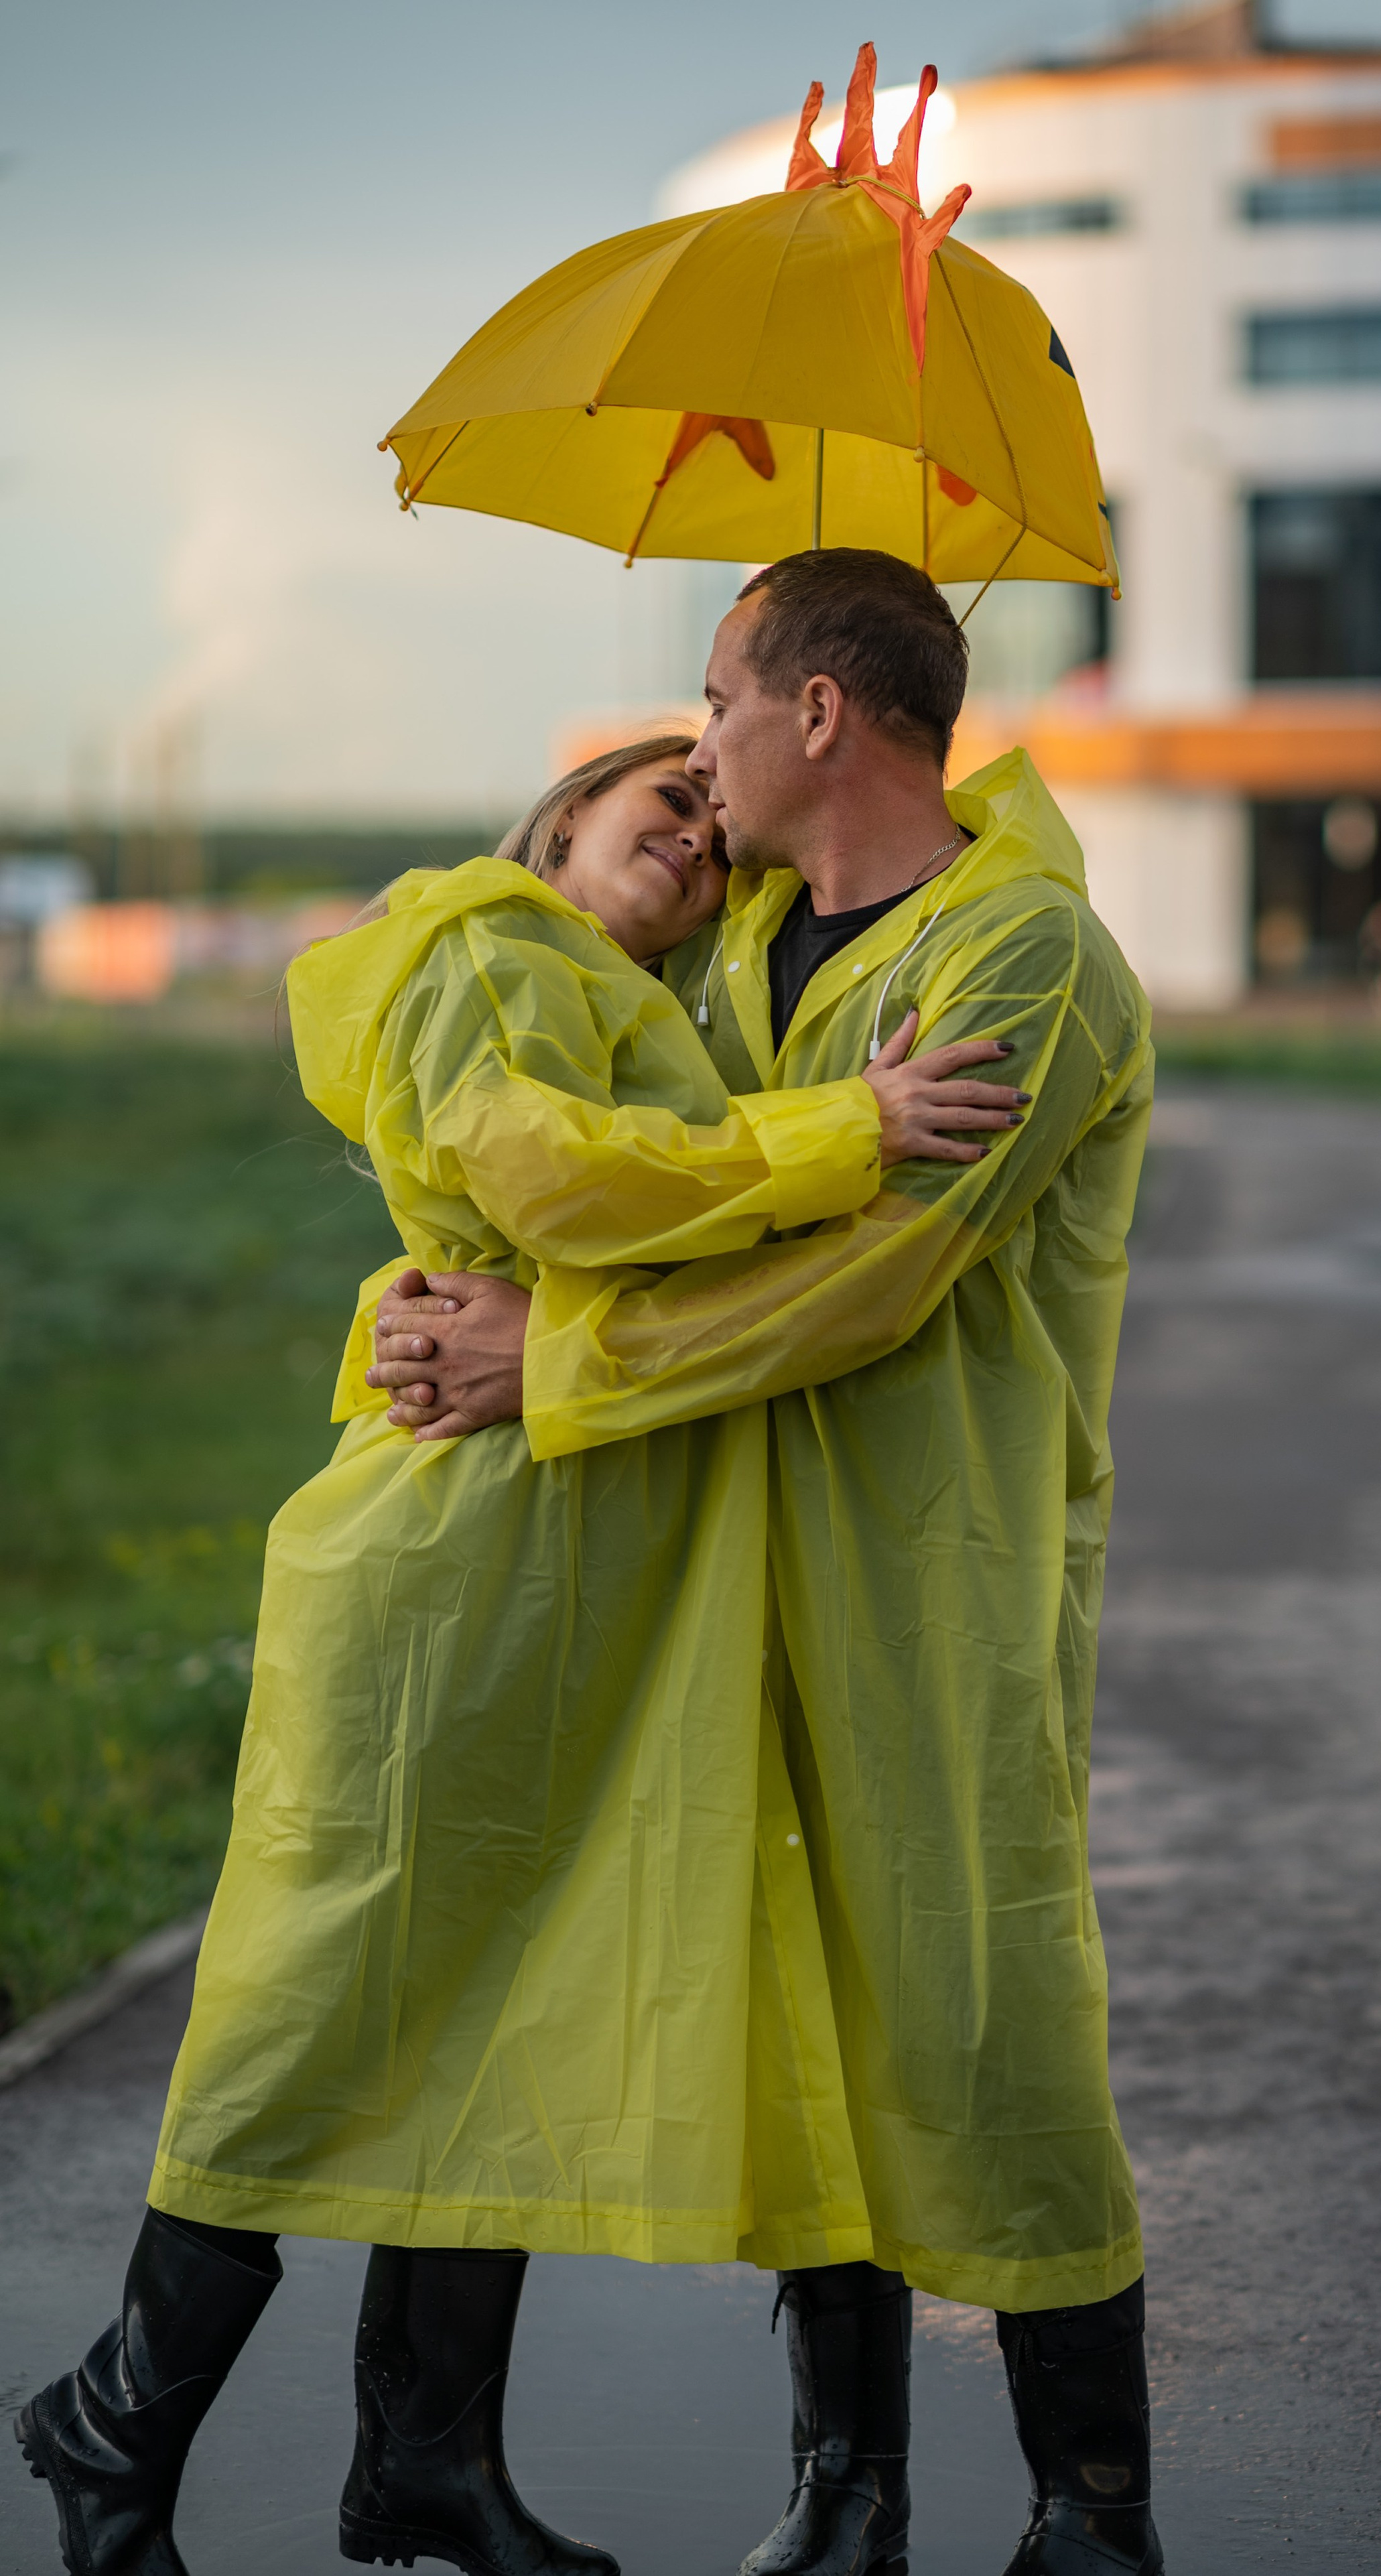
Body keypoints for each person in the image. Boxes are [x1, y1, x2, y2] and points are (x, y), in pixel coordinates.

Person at [14, 733, 1023, 2576]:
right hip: (457, 1565)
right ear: (565, 816)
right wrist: (846, 1128)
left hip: (547, 1572)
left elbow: (535, 1225)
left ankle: (426, 2458)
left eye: (717, 834)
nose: (698, 839)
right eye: (666, 801)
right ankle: (112, 2422)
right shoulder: (492, 944)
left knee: (485, 2003)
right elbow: (550, 1180)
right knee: (320, 1995)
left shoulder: (598, 990)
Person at [368, 552, 1164, 2576]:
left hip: (939, 1575)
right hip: (729, 1567)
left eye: (720, 696)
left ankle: (1093, 2509)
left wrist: (547, 1364)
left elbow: (876, 1278)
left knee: (986, 2007)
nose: (700, 741)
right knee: (809, 2029)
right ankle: (847, 2489)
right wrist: (435, 1303)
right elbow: (620, 1188)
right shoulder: (735, 956)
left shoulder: (1029, 960)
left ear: (819, 710)